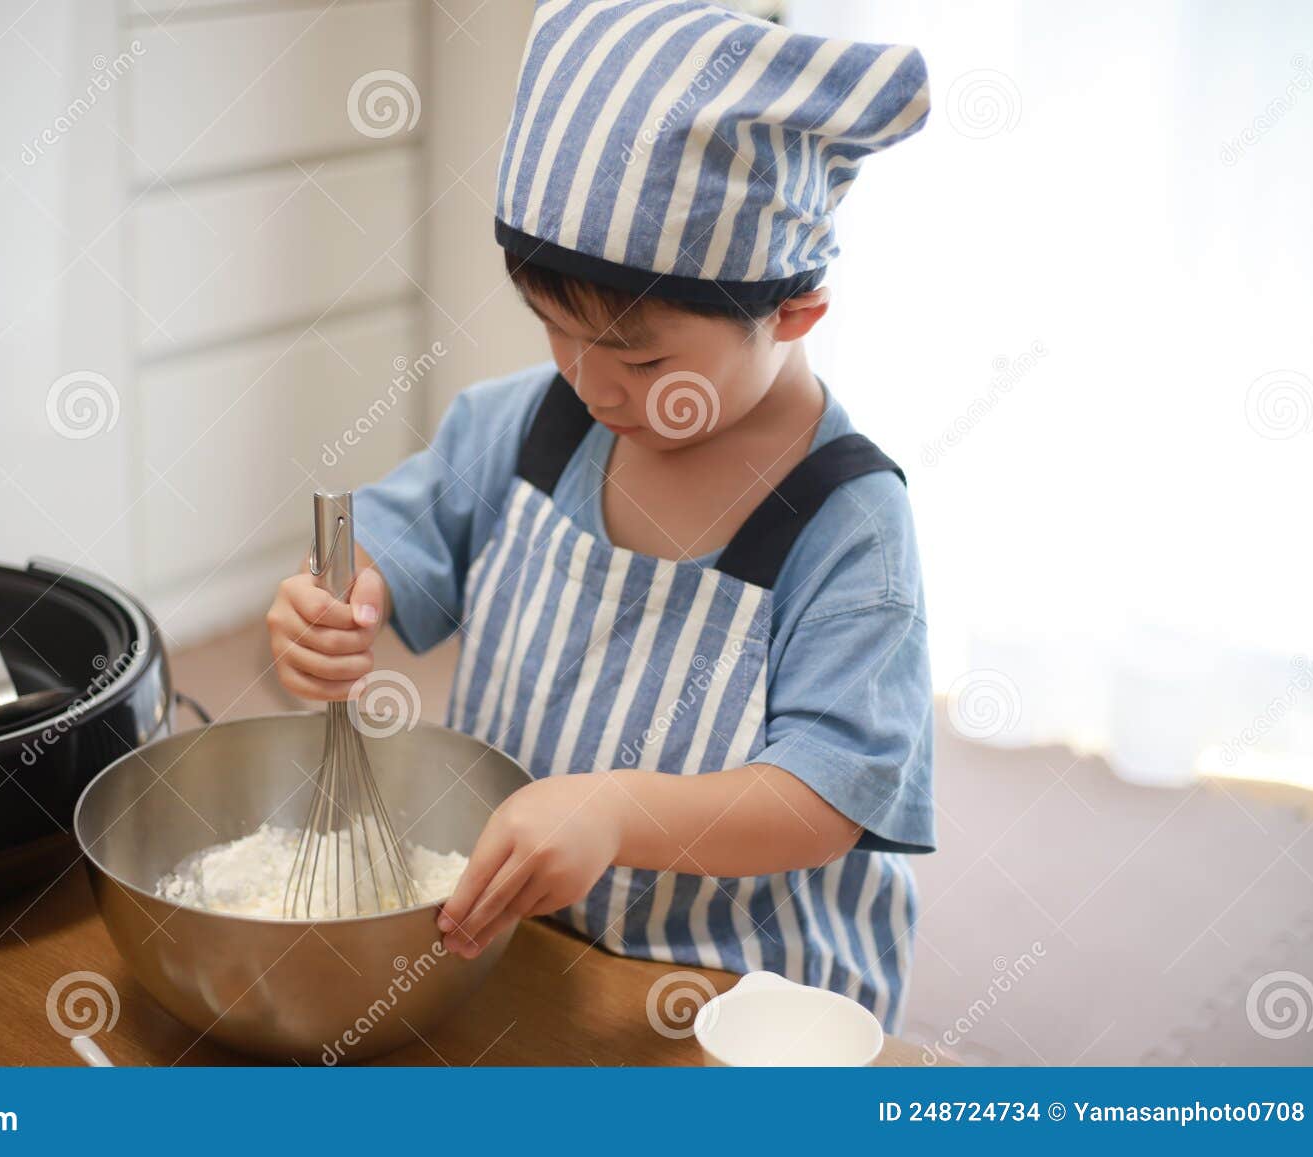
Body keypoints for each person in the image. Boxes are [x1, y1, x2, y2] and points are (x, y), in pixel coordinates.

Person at [267, 0, 935, 1032]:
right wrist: (336, 602)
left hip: (733, 995)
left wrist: (612, 808)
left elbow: (823, 801)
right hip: (520, 939)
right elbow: (388, 547)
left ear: (793, 311)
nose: (590, 385)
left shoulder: (848, 526)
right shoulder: (522, 426)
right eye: (553, 331)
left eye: (640, 359)